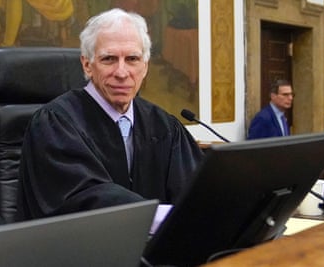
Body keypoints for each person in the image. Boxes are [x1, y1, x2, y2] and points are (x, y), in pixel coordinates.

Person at [16, 8, 205, 220]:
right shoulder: (54, 124)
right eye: (109, 59)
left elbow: (197, 193)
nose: (122, 73)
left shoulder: (164, 127)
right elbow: (82, 202)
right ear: (87, 65)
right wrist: (162, 217)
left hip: (156, 248)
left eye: (132, 59)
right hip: (87, 250)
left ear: (145, 67)